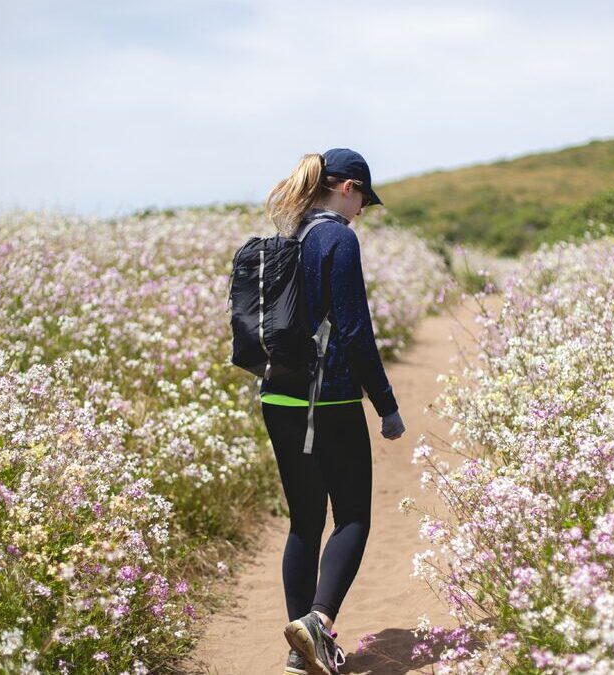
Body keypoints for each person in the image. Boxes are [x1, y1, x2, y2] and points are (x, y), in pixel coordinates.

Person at [260, 148, 406, 675]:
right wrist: (386, 406)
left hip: (276, 395)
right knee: (352, 517)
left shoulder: (286, 239)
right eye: (363, 196)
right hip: (331, 398)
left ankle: (301, 647)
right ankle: (318, 622)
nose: (364, 207)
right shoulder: (337, 238)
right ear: (346, 187)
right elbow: (353, 330)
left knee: (304, 522)